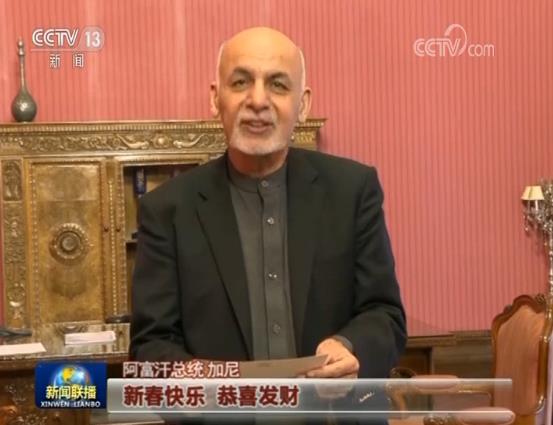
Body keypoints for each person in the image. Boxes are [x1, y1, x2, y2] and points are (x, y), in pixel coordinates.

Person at [130, 27, 406, 383]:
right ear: (216, 99)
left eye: (277, 85)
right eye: (240, 82)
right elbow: (150, 345)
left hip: (331, 409)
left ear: (303, 105)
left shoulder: (352, 191)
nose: (258, 101)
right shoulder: (167, 209)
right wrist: (194, 377)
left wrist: (349, 347)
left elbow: (384, 315)